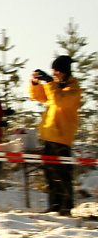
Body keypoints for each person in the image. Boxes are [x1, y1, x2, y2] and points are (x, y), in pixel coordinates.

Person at [29, 56, 82, 216]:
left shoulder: (73, 90)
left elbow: (59, 101)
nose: (55, 74)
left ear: (65, 72)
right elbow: (39, 96)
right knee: (51, 175)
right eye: (53, 71)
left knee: (62, 175)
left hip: (61, 138)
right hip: (49, 136)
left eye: (57, 71)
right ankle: (54, 206)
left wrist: (50, 83)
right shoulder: (56, 87)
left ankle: (66, 207)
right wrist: (35, 83)